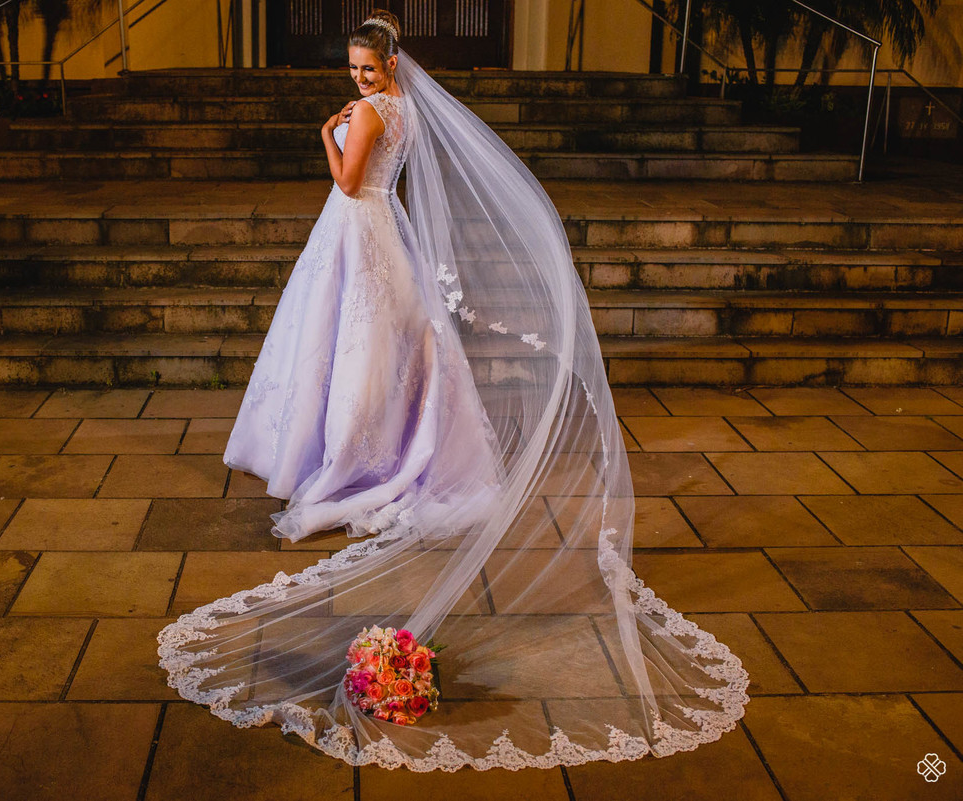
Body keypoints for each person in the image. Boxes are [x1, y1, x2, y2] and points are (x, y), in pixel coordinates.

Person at [159, 10, 750, 772]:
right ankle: (367, 443)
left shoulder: (372, 114)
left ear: (391, 66)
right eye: (352, 70)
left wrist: (325, 134)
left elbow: (347, 180)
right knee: (362, 351)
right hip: (376, 233)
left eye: (368, 70)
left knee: (354, 350)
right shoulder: (400, 110)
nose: (359, 81)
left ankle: (348, 456)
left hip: (360, 229)